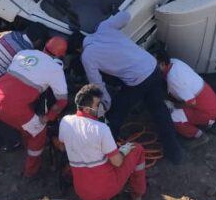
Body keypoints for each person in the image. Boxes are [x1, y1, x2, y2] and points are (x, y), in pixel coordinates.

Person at [72, 10, 182, 164]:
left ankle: (107, 154)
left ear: (78, 49)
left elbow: (97, 84)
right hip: (152, 67)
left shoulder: (87, 56)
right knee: (159, 110)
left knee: (116, 114)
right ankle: (175, 154)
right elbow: (126, 16)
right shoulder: (104, 27)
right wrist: (111, 17)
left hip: (138, 81)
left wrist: (107, 104)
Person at [0, 23, 49, 172]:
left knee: (0, 111)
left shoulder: (13, 34)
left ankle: (11, 141)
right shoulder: (25, 52)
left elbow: (0, 35)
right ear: (38, 41)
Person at [0, 37, 69, 177]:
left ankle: (26, 143)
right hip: (13, 107)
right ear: (60, 56)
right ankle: (31, 171)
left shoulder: (24, 53)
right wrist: (48, 117)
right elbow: (62, 100)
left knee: (29, 123)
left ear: (45, 46)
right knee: (39, 132)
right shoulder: (55, 69)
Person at [58, 84, 146, 200]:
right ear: (87, 109)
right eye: (97, 105)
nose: (101, 107)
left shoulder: (65, 121)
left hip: (82, 191)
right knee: (137, 149)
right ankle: (137, 195)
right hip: (107, 188)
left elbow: (62, 146)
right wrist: (123, 151)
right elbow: (117, 162)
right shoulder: (101, 128)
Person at [156, 50, 216, 146]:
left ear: (162, 64)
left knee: (172, 117)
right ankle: (212, 117)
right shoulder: (174, 62)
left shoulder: (174, 80)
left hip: (205, 112)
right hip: (211, 101)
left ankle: (199, 135)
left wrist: (175, 105)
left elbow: (191, 103)